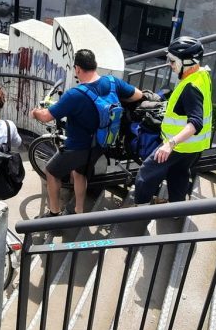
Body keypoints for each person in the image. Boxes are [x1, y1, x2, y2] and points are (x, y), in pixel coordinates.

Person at [30, 49, 143, 217]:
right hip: (101, 144)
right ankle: (79, 210)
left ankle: (54, 213)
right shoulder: (112, 82)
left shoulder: (75, 95)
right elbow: (138, 95)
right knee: (79, 172)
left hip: (78, 147)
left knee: (51, 172)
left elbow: (46, 117)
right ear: (95, 65)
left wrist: (35, 112)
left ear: (77, 69)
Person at [131, 37, 213, 207]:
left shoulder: (190, 88)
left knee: (146, 174)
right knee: (179, 174)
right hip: (194, 147)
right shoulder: (202, 75)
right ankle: (176, 210)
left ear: (189, 62)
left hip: (179, 146)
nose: (170, 64)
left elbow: (196, 122)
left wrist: (170, 144)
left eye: (173, 60)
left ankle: (140, 210)